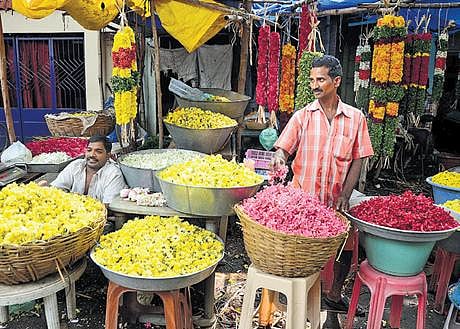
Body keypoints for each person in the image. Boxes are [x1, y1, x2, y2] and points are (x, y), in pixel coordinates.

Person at [270, 55, 374, 325]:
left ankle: (335, 295)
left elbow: (359, 158)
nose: (315, 85)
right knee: (300, 253)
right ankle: (299, 301)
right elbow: (284, 148)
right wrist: (280, 157)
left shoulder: (355, 118)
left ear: (336, 81)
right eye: (312, 80)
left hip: (335, 201)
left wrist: (346, 195)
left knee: (347, 246)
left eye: (321, 79)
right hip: (303, 201)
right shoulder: (303, 116)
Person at [38, 135, 127, 206]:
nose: (92, 155)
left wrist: (77, 203)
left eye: (98, 151)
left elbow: (109, 206)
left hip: (101, 220)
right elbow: (57, 189)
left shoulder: (113, 173)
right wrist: (47, 190)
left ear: (108, 155)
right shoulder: (76, 165)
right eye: (89, 150)